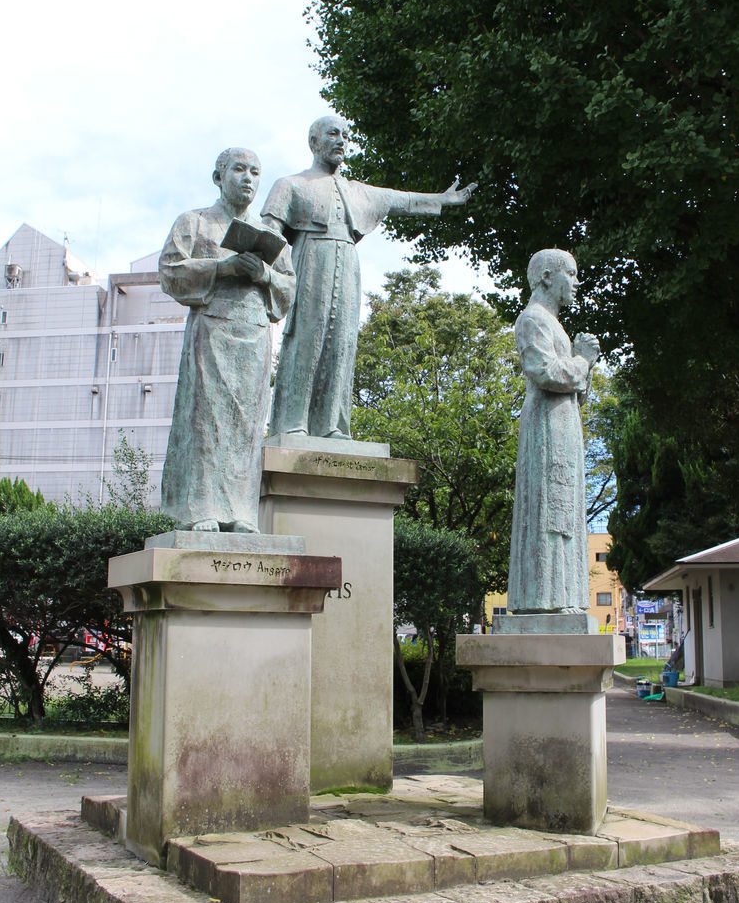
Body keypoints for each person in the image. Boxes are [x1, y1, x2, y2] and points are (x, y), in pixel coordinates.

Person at [260, 115, 476, 440]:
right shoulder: (290, 185)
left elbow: (400, 198)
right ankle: (293, 424)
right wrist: (272, 274)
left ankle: (333, 425)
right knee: (306, 337)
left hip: (348, 261)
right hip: (309, 258)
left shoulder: (357, 191)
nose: (341, 141)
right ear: (314, 142)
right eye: (333, 134)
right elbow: (269, 230)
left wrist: (442, 200)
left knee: (342, 343)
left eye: (345, 135)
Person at [159, 148, 295, 531]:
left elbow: (288, 288)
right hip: (212, 327)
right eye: (239, 169)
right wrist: (223, 268)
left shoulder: (271, 236)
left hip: (254, 333)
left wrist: (264, 275)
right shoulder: (195, 222)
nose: (248, 178)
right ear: (218, 176)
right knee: (207, 418)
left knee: (248, 423)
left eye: (255, 171)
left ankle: (240, 512)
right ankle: (201, 509)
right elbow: (170, 270)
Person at [507, 249, 600, 614]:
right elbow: (545, 372)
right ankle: (544, 600)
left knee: (565, 514)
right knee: (550, 513)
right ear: (547, 276)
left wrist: (581, 364)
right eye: (572, 274)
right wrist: (582, 360)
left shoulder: (554, 324)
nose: (577, 283)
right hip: (545, 426)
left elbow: (574, 387)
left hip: (564, 426)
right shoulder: (532, 319)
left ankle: (567, 598)